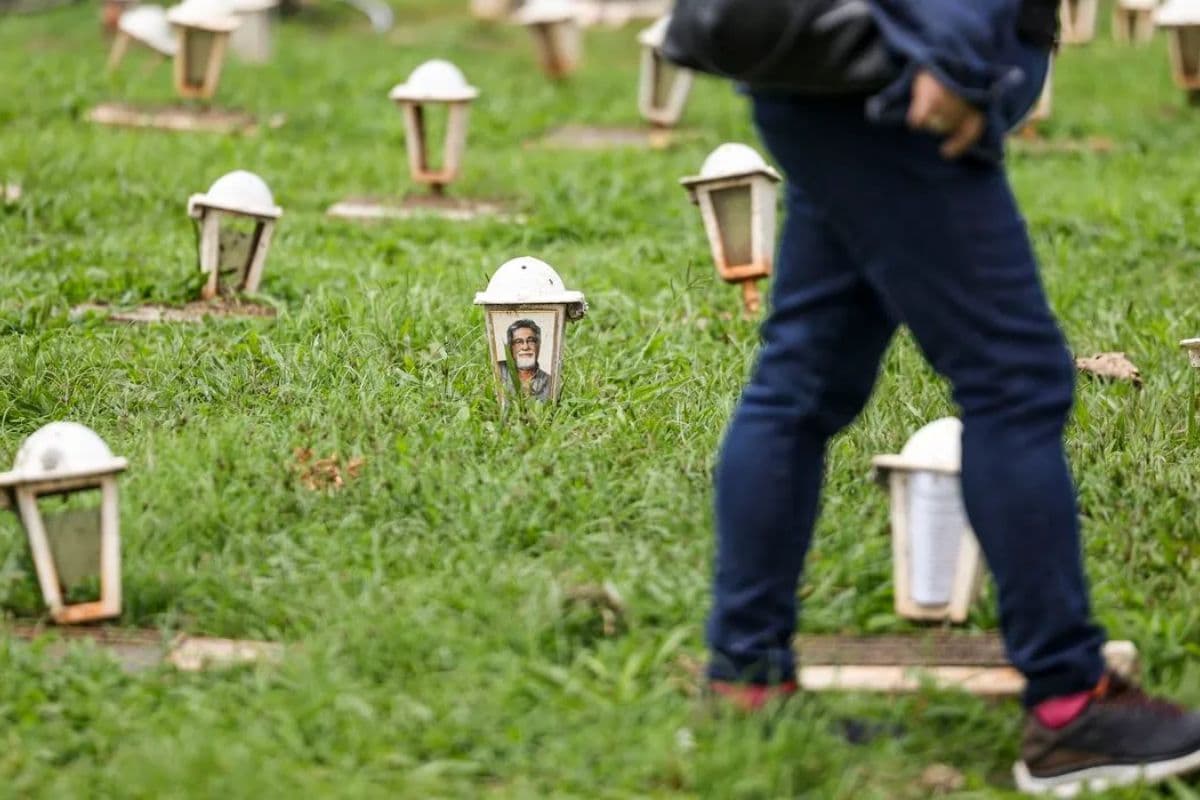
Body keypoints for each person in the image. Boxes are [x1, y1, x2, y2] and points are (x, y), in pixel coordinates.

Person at [701, 1, 1200, 795]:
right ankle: (1073, 710)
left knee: (800, 383)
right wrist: (955, 52)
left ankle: (747, 676)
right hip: (902, 77)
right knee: (1017, 381)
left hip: (840, 73)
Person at [500, 319, 552, 402]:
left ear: (538, 345)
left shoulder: (550, 381)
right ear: (510, 347)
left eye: (531, 341)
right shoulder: (498, 370)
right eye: (518, 342)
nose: (525, 347)